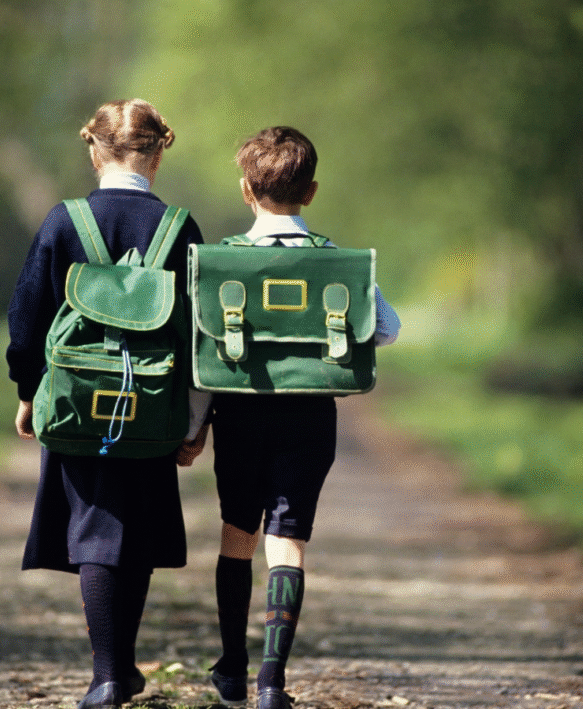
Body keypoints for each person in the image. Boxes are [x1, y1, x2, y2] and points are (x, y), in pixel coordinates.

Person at [6, 99, 204, 709]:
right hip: (154, 405)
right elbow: (201, 335)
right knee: (136, 531)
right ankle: (121, 667)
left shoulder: (63, 223)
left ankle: (107, 674)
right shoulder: (180, 226)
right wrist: (196, 422)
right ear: (160, 152)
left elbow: (26, 317)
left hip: (75, 400)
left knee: (94, 530)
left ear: (93, 149)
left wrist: (26, 390)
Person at [206, 126, 400, 709]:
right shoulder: (336, 264)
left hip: (239, 415)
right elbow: (386, 329)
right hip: (309, 421)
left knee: (237, 535)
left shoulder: (223, 263)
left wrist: (193, 430)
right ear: (311, 193)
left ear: (245, 190)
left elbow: (201, 357)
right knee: (287, 545)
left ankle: (232, 670)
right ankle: (272, 682)